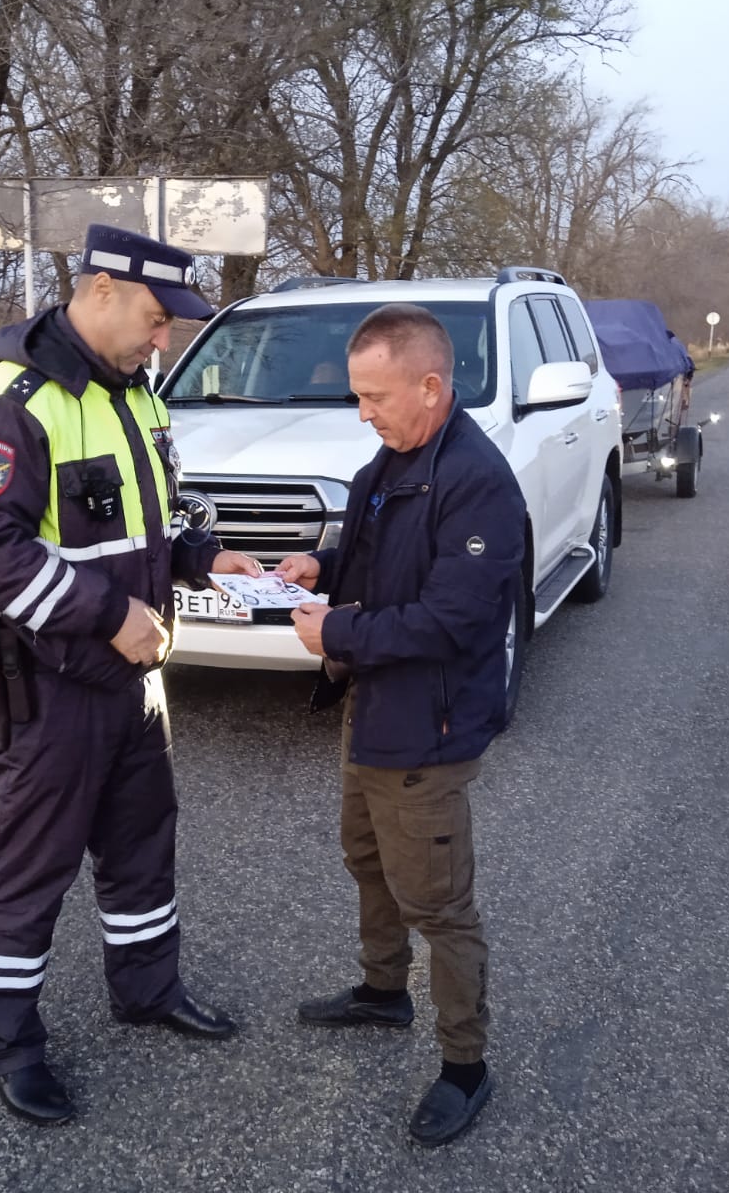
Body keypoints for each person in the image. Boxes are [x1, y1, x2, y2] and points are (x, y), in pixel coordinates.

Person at [0, 224, 262, 1126]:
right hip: (50, 686)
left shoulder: (134, 391)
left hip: (135, 680)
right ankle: (7, 1045)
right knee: (26, 867)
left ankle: (148, 991)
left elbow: (147, 516)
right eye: (158, 320)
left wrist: (204, 556)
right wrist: (108, 614)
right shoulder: (15, 403)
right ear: (100, 291)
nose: (166, 340)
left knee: (140, 844)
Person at [274, 303, 527, 1148]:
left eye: (375, 395)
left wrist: (336, 631)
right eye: (357, 396)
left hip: (432, 727)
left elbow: (450, 619)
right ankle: (383, 992)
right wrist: (325, 565)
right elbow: (383, 565)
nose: (363, 413)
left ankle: (466, 1066)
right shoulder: (389, 462)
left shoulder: (479, 482)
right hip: (373, 707)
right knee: (367, 856)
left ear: (430, 385)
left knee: (439, 904)